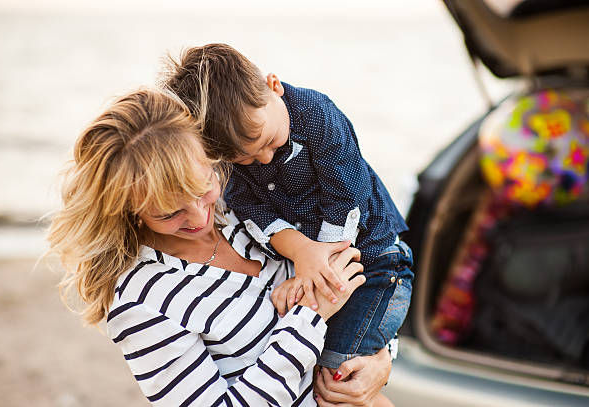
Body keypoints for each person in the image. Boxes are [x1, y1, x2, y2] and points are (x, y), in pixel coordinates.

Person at [47, 88, 393, 406]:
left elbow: (371, 280)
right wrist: (311, 315)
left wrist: (381, 361)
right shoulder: (142, 301)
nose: (199, 217)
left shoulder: (243, 209)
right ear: (128, 207)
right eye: (169, 212)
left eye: (204, 187)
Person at [162, 44, 414, 379]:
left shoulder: (317, 116)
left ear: (273, 86)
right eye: (246, 159)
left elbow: (346, 201)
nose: (263, 159)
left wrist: (310, 274)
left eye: (266, 141)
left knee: (336, 372)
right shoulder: (230, 156)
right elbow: (249, 209)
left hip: (376, 262)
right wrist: (301, 253)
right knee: (311, 368)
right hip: (320, 271)